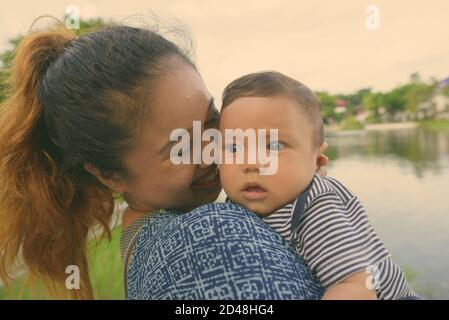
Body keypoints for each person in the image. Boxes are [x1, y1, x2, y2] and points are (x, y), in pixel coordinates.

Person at [0, 22, 327, 299]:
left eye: (211, 117)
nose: (211, 149)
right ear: (110, 175)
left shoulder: (144, 240)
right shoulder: (208, 237)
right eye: (179, 147)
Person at [218, 71, 419, 300]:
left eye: (273, 146)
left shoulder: (315, 207)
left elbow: (357, 286)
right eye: (233, 148)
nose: (251, 163)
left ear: (317, 161)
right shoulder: (241, 202)